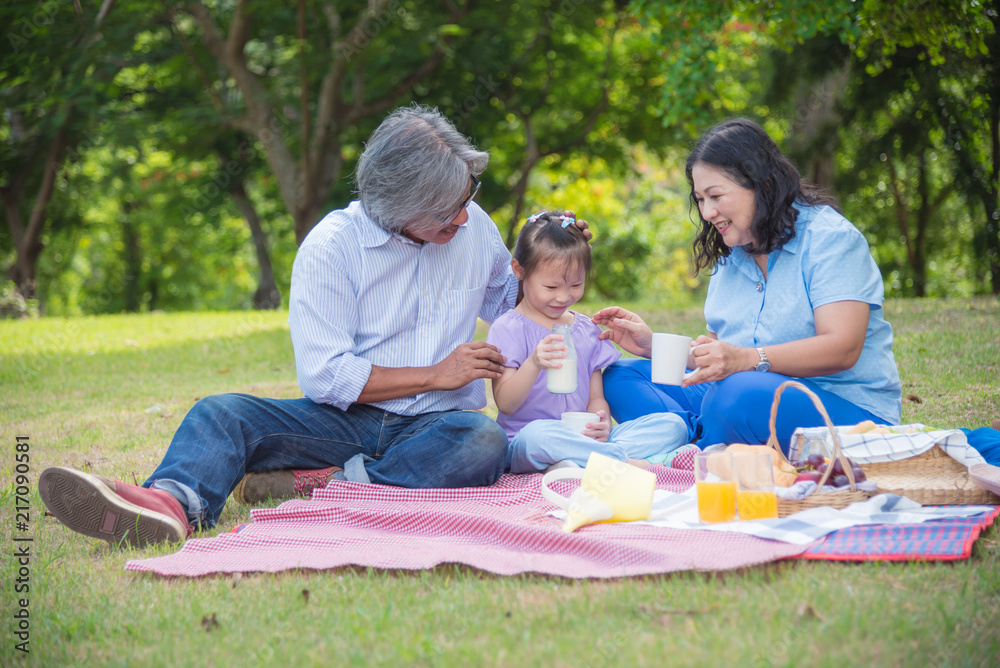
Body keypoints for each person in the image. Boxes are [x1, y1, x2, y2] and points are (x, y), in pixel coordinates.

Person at [37, 105, 590, 548]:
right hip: (341, 419)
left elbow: (511, 302)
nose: (464, 216)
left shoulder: (473, 231)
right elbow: (326, 377)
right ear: (401, 208)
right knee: (220, 413)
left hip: (437, 427)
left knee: (481, 441)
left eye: (466, 198)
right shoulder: (332, 247)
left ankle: (329, 483)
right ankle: (170, 504)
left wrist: (553, 250)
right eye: (448, 208)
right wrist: (435, 373)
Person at [593, 118, 902, 453]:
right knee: (620, 377)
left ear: (763, 184)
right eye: (699, 199)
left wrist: (748, 359)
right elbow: (721, 361)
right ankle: (700, 439)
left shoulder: (830, 239)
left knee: (735, 396)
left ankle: (694, 445)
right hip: (740, 396)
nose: (707, 212)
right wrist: (654, 346)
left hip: (843, 411)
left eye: (715, 196)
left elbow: (843, 348)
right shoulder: (731, 255)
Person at [486, 210, 690, 473]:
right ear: (519, 270)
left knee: (672, 425)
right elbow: (506, 403)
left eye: (575, 285)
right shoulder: (508, 328)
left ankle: (578, 463)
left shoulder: (585, 329)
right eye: (551, 287)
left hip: (583, 440)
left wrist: (601, 420)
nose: (563, 297)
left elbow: (595, 398)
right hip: (527, 441)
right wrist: (534, 362)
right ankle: (632, 464)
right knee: (539, 436)